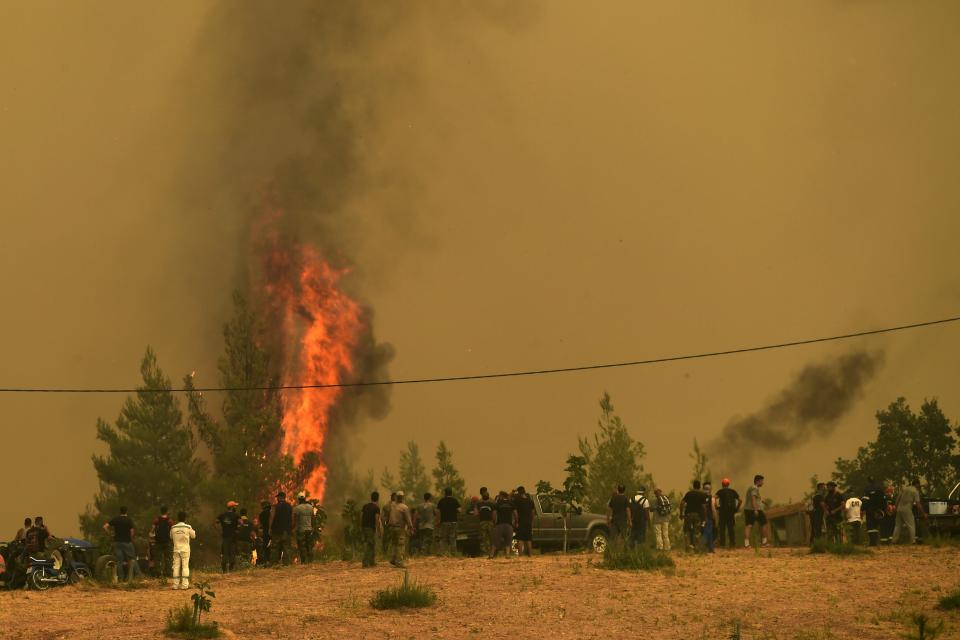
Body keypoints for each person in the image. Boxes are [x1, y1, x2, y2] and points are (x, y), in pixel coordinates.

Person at [103, 506, 142, 582]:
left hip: (117, 542)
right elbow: (132, 532)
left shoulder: (116, 519)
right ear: (126, 511)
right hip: (127, 542)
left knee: (119, 561)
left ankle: (120, 578)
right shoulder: (129, 520)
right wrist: (130, 538)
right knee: (132, 559)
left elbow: (105, 526)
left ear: (120, 512)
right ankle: (138, 576)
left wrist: (110, 534)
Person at [892, 479, 924, 544]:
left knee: (897, 526)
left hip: (899, 509)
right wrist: (923, 513)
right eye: (919, 485)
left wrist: (895, 509)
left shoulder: (904, 489)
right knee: (911, 525)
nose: (919, 486)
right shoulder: (915, 491)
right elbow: (918, 504)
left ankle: (894, 541)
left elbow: (897, 499)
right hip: (907, 509)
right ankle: (912, 541)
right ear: (917, 484)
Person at [170, 511, 195, 590]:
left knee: (176, 567)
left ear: (178, 518)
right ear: (185, 518)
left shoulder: (173, 528)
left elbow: (170, 536)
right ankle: (184, 585)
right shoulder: (188, 527)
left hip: (176, 549)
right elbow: (194, 536)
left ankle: (175, 585)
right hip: (185, 549)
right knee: (185, 566)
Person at [387, 491, 413, 568]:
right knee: (401, 545)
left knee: (394, 544)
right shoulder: (404, 507)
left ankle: (393, 559)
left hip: (391, 527)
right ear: (403, 497)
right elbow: (408, 519)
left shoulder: (392, 505)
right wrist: (411, 527)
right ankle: (399, 562)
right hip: (400, 528)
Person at [743, 475, 770, 548]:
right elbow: (753, 498)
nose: (763, 483)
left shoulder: (751, 488)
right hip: (755, 509)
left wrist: (763, 501)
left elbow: (756, 498)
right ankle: (764, 542)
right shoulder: (755, 488)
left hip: (748, 509)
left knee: (748, 525)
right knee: (764, 524)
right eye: (762, 481)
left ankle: (746, 544)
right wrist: (755, 510)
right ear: (758, 481)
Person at [681, 481, 708, 550]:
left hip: (688, 514)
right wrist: (704, 517)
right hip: (697, 515)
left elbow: (682, 503)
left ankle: (687, 547)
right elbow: (704, 507)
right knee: (697, 531)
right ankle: (697, 547)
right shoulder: (703, 495)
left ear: (693, 486)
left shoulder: (689, 494)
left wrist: (681, 513)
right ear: (699, 486)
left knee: (686, 530)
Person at [715, 478, 741, 549]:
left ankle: (722, 544)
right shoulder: (733, 491)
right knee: (731, 528)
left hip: (722, 512)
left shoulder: (720, 491)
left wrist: (716, 507)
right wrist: (736, 509)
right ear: (728, 484)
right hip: (731, 512)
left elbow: (714, 498)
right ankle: (732, 544)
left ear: (722, 484)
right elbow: (740, 500)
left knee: (722, 528)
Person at [270, 491, 294, 565]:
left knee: (275, 548)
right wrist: (291, 528)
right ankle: (286, 564)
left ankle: (274, 563)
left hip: (276, 531)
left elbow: (271, 517)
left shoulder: (275, 506)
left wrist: (269, 528)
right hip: (286, 531)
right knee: (286, 548)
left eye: (277, 497)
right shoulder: (290, 506)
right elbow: (292, 518)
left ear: (280, 497)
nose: (277, 498)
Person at [216, 501, 240, 572]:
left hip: (225, 536)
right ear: (232, 507)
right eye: (235, 506)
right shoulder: (236, 515)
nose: (236, 507)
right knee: (232, 552)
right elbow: (241, 522)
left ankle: (224, 570)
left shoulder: (222, 515)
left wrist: (219, 531)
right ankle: (231, 569)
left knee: (225, 552)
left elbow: (215, 522)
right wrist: (238, 528)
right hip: (233, 537)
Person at [492, 491, 517, 558]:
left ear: (502, 496)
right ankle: (507, 555)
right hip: (509, 525)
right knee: (508, 541)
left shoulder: (498, 504)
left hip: (499, 524)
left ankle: (491, 554)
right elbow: (515, 514)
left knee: (496, 540)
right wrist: (516, 522)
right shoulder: (511, 504)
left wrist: (494, 523)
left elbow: (494, 514)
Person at [436, 488, 461, 556]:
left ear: (445, 493)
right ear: (451, 493)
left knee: (443, 537)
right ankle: (453, 553)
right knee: (452, 538)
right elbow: (459, 510)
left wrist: (438, 521)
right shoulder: (455, 500)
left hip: (444, 521)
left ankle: (442, 552)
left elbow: (438, 512)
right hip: (453, 521)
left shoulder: (441, 501)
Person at [151, 506, 174, 579]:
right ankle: (168, 573)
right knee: (168, 558)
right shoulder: (169, 521)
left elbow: (152, 530)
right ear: (167, 511)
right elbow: (172, 531)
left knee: (158, 558)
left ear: (160, 511)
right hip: (167, 541)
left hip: (158, 541)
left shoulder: (156, 520)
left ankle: (157, 573)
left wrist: (152, 536)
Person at [361, 491, 382, 568]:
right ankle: (365, 562)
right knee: (370, 545)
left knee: (371, 544)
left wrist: (362, 527)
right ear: (378, 499)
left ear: (371, 498)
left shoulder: (365, 506)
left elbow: (361, 516)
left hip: (364, 527)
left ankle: (372, 561)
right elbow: (377, 519)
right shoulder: (376, 508)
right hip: (370, 528)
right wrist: (378, 531)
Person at [862, 477, 886, 547]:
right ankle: (877, 541)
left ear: (868, 481)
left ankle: (872, 542)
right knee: (876, 526)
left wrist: (863, 509)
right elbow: (883, 499)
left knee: (870, 526)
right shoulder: (880, 488)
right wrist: (883, 509)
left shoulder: (867, 489)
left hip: (870, 510)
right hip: (878, 510)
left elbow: (865, 500)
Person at [294, 492, 315, 564]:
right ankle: (310, 561)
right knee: (309, 545)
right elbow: (313, 518)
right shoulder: (311, 507)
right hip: (309, 529)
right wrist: (312, 527)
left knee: (302, 546)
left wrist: (294, 529)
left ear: (299, 499)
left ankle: (303, 561)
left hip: (301, 530)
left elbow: (295, 520)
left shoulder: (297, 508)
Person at [514, 486, 536, 557]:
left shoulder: (517, 501)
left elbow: (516, 513)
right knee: (528, 539)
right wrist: (531, 522)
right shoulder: (530, 501)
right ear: (524, 491)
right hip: (528, 522)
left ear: (518, 492)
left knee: (520, 539)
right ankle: (530, 554)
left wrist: (516, 522)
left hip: (521, 522)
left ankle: (520, 555)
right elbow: (533, 513)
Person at [476, 487, 496, 557]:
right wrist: (494, 521)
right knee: (491, 537)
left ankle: (484, 553)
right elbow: (494, 513)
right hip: (490, 522)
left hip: (482, 522)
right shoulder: (492, 502)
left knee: (483, 538)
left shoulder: (479, 503)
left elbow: (476, 513)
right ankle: (492, 553)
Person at [652, 487, 672, 551]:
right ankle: (667, 547)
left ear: (655, 493)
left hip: (657, 520)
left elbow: (651, 509)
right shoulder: (666, 499)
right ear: (661, 492)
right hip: (666, 519)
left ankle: (660, 547)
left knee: (658, 533)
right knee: (665, 534)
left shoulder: (654, 500)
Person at [702, 482, 717, 552]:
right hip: (709, 517)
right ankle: (708, 547)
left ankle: (708, 547)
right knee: (708, 532)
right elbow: (713, 508)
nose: (707, 490)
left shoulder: (700, 496)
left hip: (702, 517)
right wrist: (715, 518)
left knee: (705, 532)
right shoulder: (712, 498)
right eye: (706, 489)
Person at [257, 500, 272, 566]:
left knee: (265, 547)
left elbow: (260, 525)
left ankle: (266, 561)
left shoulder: (261, 514)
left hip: (265, 533)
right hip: (273, 532)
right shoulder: (271, 513)